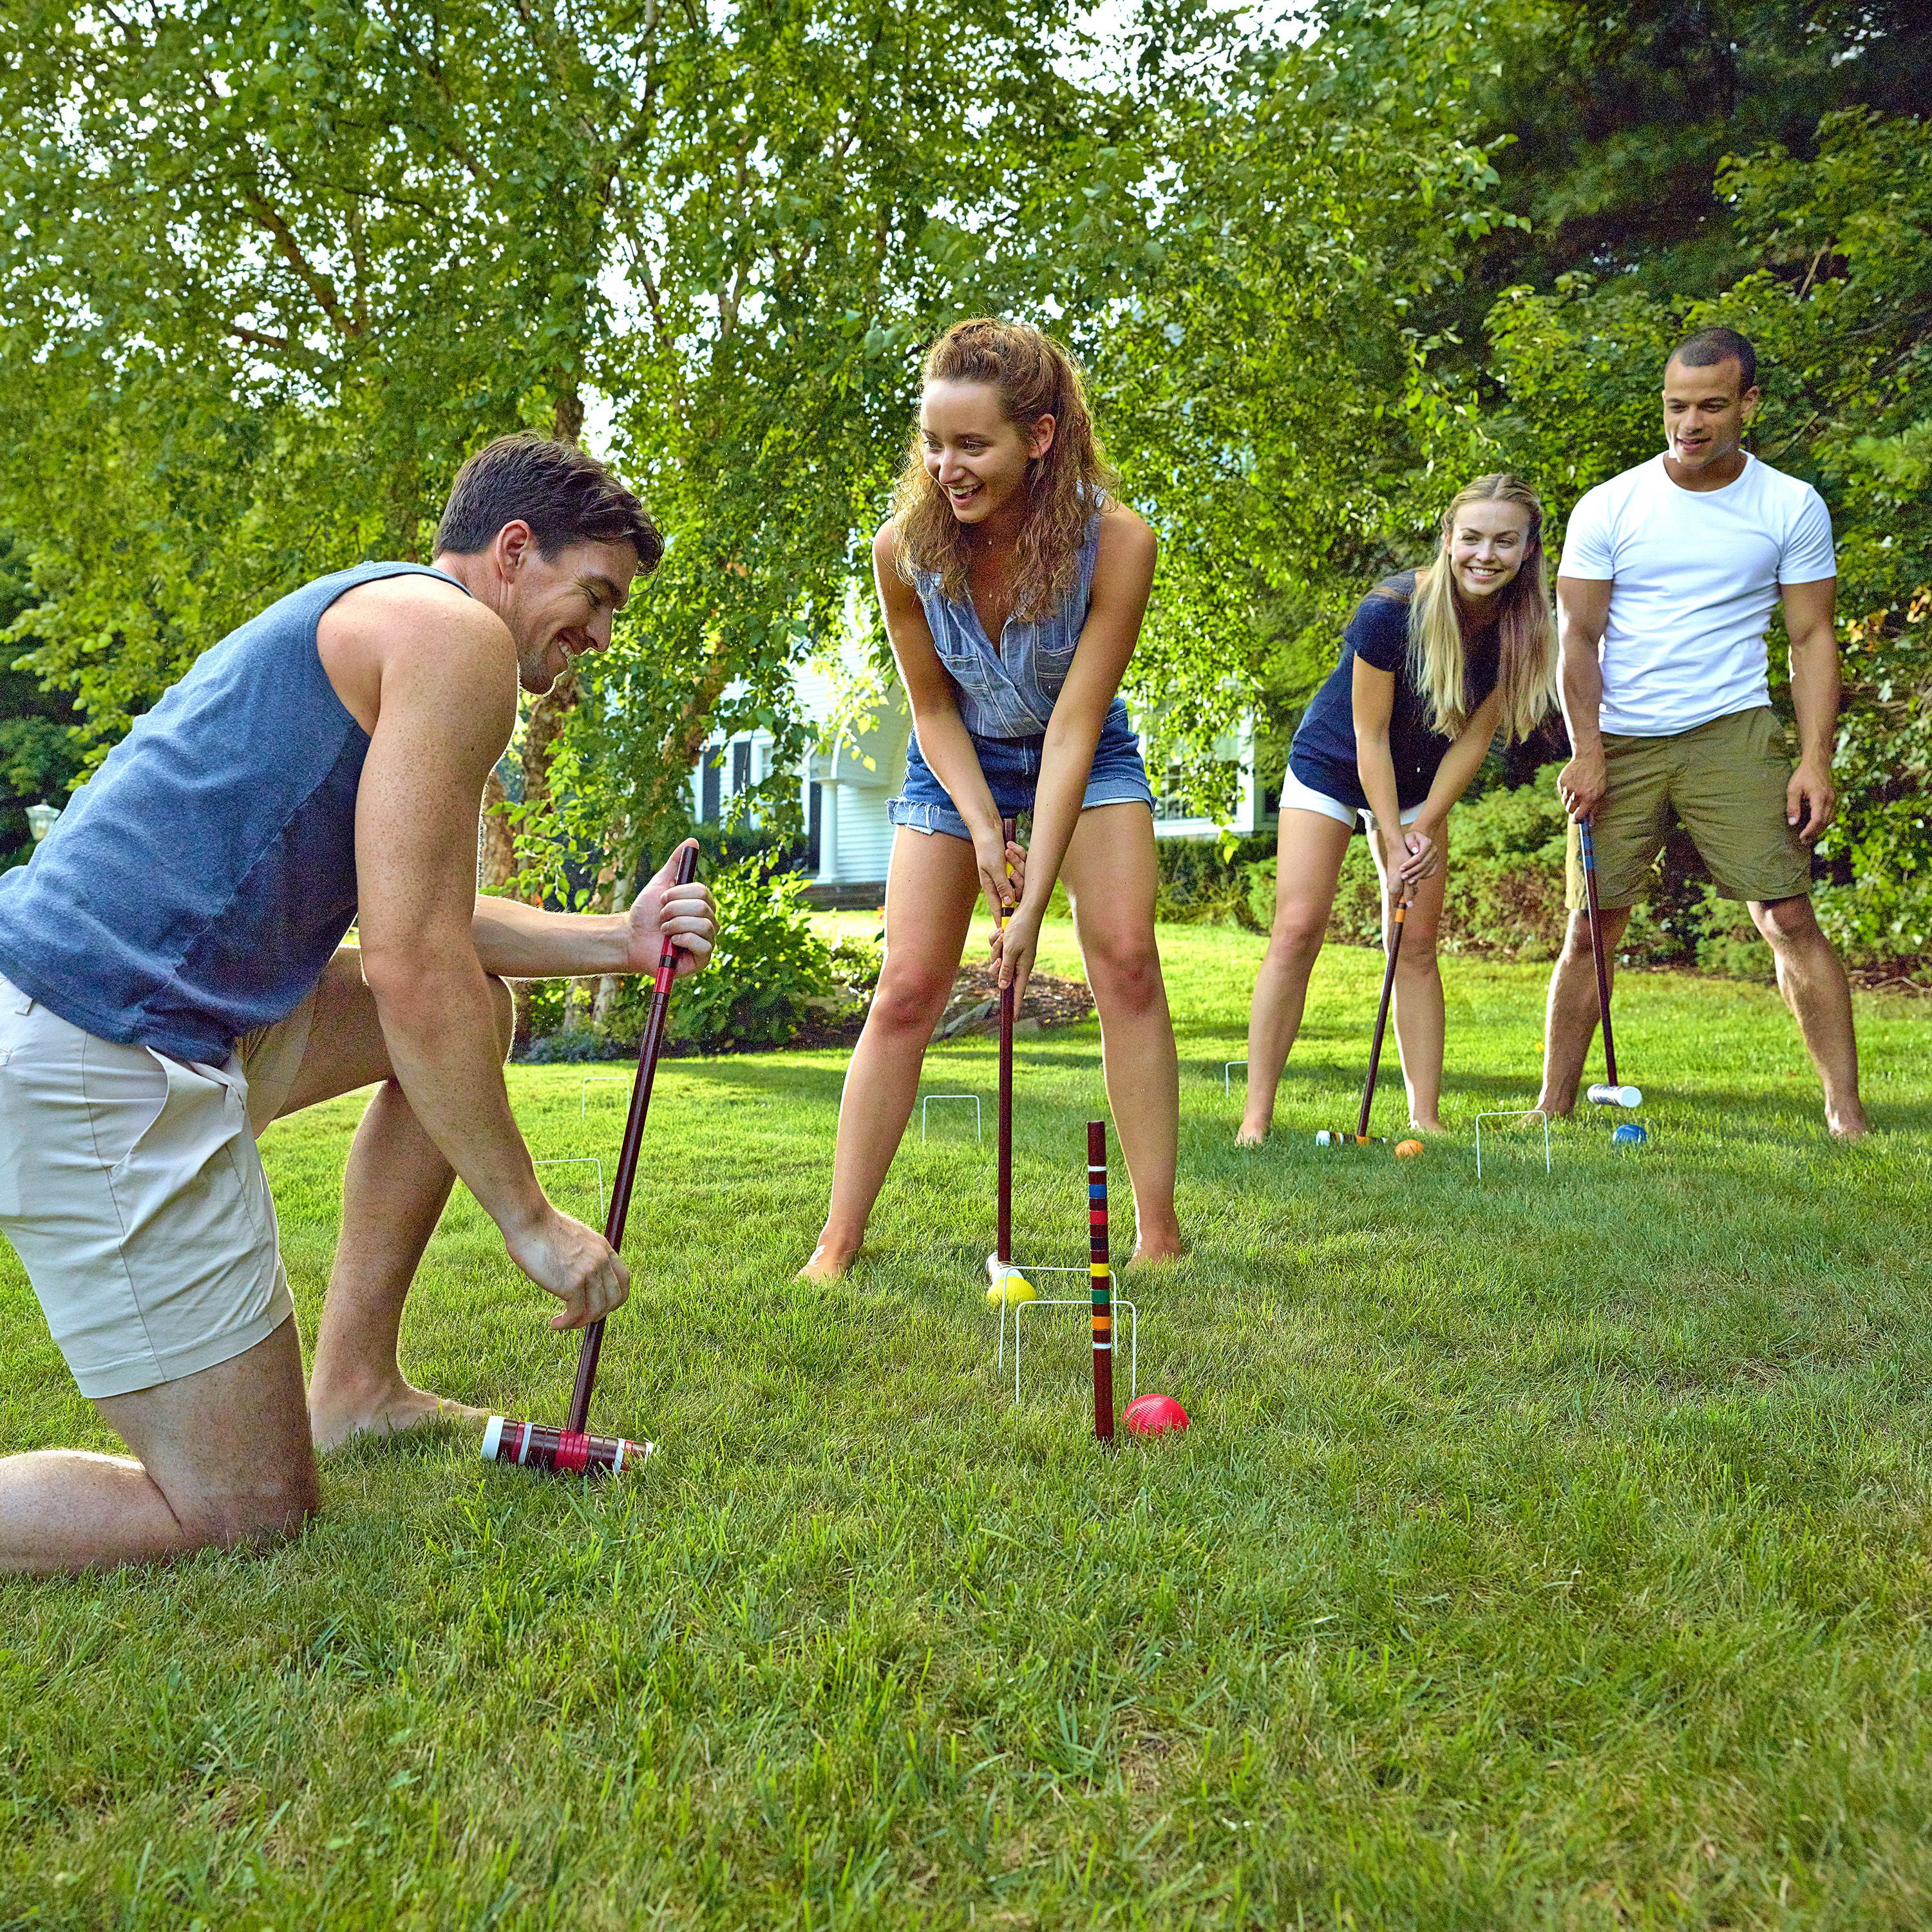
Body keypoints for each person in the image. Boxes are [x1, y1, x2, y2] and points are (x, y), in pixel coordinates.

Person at [0, 432, 719, 1574]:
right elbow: (409, 959)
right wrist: (530, 1220)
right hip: (102, 1048)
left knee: (476, 1007)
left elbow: (422, 917)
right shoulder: (454, 638)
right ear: (515, 551)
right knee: (244, 1512)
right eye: (594, 597)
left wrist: (619, 942)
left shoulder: (388, 617)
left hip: (154, 1014)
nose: (597, 637)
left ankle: (358, 1387)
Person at [800, 318, 1182, 1279]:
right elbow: (930, 707)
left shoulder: (1118, 544)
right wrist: (979, 828)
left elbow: (1073, 729)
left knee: (1128, 962)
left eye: (973, 445)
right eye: (934, 443)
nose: (946, 467)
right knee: (906, 991)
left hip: (1082, 758)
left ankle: (1158, 1233)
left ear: (1040, 438)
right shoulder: (905, 552)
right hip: (958, 759)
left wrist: (1030, 905)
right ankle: (838, 1242)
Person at [1533, 327, 1867, 1139]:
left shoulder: (1790, 505)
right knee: (1591, 929)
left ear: (1747, 404)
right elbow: (1574, 637)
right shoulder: (1610, 505)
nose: (1691, 423)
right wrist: (1587, 748)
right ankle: (1552, 1108)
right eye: (1678, 406)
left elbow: (1811, 638)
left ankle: (1846, 1113)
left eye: (1712, 405)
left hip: (1733, 729)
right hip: (1621, 738)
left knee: (1787, 916)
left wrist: (1815, 759)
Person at [1238, 475, 1557, 1142]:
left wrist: (1423, 825)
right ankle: (1256, 1119)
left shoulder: (1524, 626)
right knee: (1297, 928)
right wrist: (1391, 834)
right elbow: (1369, 735)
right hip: (1333, 763)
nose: (1485, 554)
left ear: (1528, 550)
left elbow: (1475, 738)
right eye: (1471, 538)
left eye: (1504, 541)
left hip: (1425, 778)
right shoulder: (1391, 609)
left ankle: (1426, 1117)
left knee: (1413, 944)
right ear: (1448, 539)